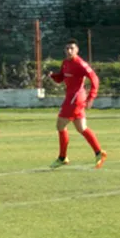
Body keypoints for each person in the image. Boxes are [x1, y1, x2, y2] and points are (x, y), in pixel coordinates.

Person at [47, 38, 107, 169]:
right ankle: (99, 152)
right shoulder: (65, 63)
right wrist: (53, 76)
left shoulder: (81, 64)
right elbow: (62, 78)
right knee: (81, 128)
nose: (69, 51)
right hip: (72, 98)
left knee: (60, 125)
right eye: (67, 48)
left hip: (75, 99)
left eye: (71, 48)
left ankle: (62, 157)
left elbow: (95, 78)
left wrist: (92, 96)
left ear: (77, 50)